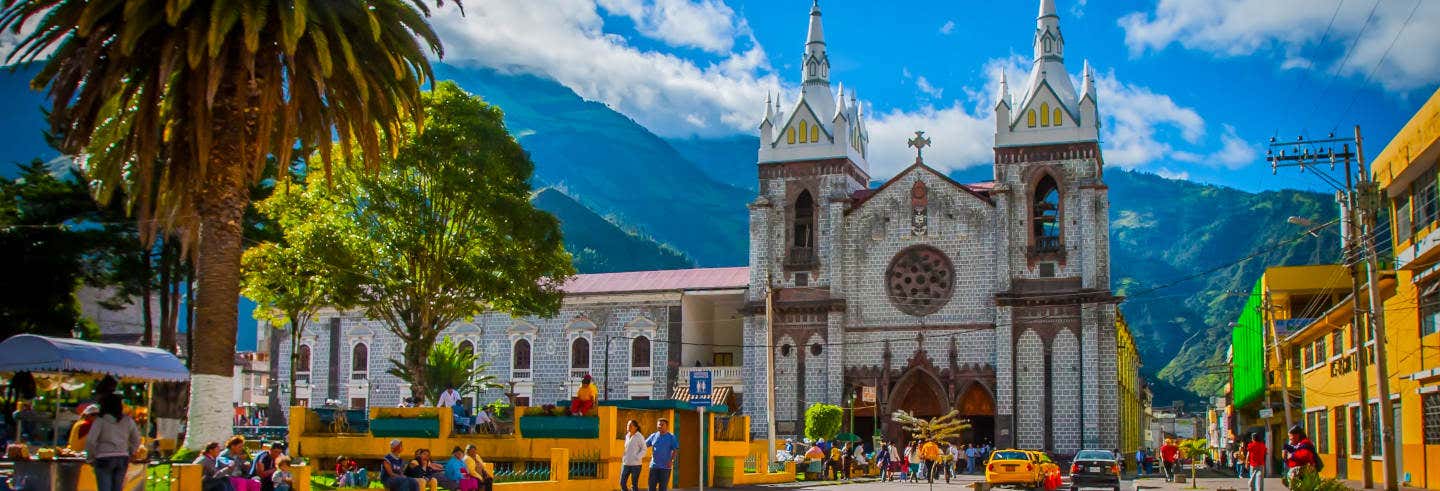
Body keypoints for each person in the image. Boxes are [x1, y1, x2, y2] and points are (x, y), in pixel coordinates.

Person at [86, 394, 142, 491]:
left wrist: (91, 457)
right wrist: (131, 452)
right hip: (122, 457)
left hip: (103, 457)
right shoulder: (128, 420)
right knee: (117, 487)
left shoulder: (100, 421)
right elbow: (136, 439)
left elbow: (91, 441)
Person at [646, 418, 679, 491]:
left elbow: (675, 450)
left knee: (663, 488)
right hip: (654, 466)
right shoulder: (653, 436)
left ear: (666, 426)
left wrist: (671, 461)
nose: (659, 426)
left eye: (662, 425)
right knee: (651, 487)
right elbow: (644, 445)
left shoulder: (671, 437)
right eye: (658, 425)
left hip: (665, 467)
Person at [621, 419, 645, 491]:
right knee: (622, 483)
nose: (628, 427)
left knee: (634, 485)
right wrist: (624, 458)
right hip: (626, 463)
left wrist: (637, 457)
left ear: (636, 427)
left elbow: (644, 449)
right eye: (627, 425)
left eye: (630, 425)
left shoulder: (639, 436)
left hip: (636, 465)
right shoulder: (627, 436)